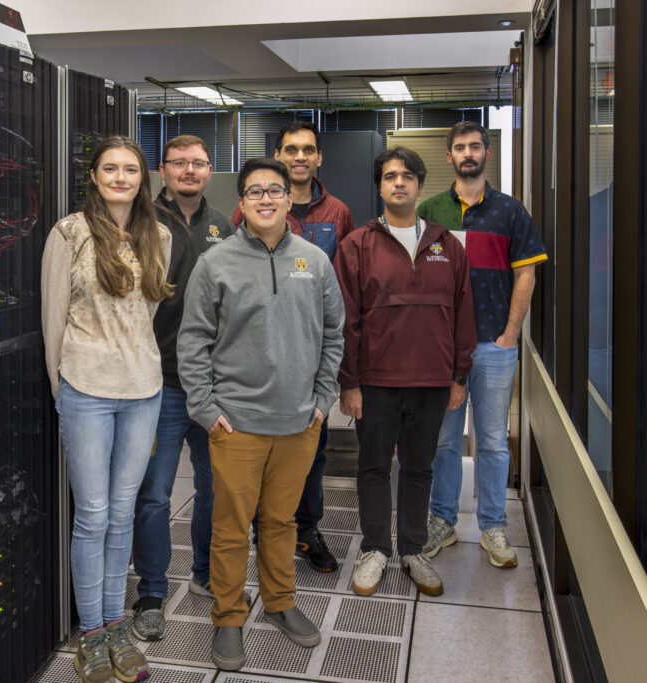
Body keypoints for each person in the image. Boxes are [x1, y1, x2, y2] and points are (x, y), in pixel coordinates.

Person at [178, 157, 344, 671]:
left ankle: (279, 603)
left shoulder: (315, 261)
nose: (267, 199)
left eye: (275, 191)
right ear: (243, 203)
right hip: (236, 424)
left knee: (281, 521)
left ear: (288, 199)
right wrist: (206, 409)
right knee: (229, 528)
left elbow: (335, 335)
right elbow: (193, 341)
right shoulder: (216, 263)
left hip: (299, 423)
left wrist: (322, 402)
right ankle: (229, 616)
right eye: (255, 192)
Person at [41, 136, 173, 683]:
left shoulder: (157, 234)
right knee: (92, 515)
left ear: (143, 178)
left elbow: (148, 317)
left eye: (131, 170)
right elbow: (51, 319)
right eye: (110, 169)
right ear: (93, 176)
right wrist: (60, 388)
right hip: (86, 390)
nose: (121, 177)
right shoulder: (68, 233)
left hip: (143, 388)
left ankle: (117, 623)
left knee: (122, 514)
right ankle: (91, 634)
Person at [336, 147, 476, 597]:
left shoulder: (446, 244)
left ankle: (413, 549)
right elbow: (346, 319)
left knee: (419, 468)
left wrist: (458, 376)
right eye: (390, 176)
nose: (399, 182)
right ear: (379, 185)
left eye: (407, 176)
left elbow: (463, 314)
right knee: (374, 467)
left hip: (433, 382)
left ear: (419, 185)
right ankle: (375, 549)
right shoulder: (356, 245)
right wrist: (350, 382)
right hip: (375, 382)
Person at [419, 122, 548, 569]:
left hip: (495, 346)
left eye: (475, 146)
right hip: (443, 350)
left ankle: (493, 525)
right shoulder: (430, 211)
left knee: (493, 441)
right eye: (459, 147)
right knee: (444, 441)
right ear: (449, 156)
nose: (467, 153)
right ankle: (441, 521)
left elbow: (526, 275)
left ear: (487, 154)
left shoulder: (511, 211)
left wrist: (511, 334)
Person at [231, 121, 354, 573]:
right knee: (259, 455)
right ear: (279, 156)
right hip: (258, 361)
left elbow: (341, 291)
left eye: (308, 150)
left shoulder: (338, 212)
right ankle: (265, 531)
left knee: (311, 453)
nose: (299, 157)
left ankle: (306, 530)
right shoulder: (248, 211)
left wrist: (333, 376)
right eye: (290, 150)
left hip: (308, 359)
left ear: (319, 158)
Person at [130, 135, 235, 641]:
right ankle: (151, 591)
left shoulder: (225, 226)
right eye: (179, 163)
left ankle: (205, 573)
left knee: (215, 489)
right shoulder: (140, 222)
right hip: (162, 382)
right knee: (153, 493)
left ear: (210, 170)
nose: (189, 170)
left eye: (199, 163)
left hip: (214, 384)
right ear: (163, 171)